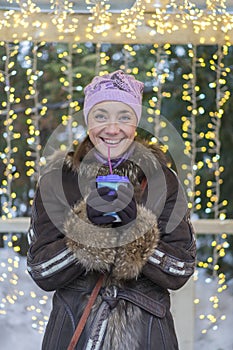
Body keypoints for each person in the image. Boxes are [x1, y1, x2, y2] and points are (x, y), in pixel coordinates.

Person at [27, 70, 196, 350]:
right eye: (101, 115)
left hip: (148, 337)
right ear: (88, 120)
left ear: (136, 122)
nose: (112, 128)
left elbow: (181, 270)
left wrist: (137, 233)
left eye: (124, 116)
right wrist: (86, 233)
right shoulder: (58, 179)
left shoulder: (163, 180)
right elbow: (42, 271)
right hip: (74, 332)